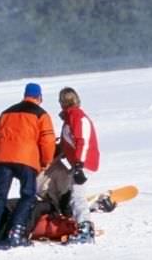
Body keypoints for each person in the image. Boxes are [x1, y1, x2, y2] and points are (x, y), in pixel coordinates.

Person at [0, 82, 55, 247]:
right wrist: (46, 161)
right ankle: (16, 232)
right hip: (27, 160)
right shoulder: (41, 115)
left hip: (2, 160)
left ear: (25, 95)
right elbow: (47, 141)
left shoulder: (6, 113)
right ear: (39, 97)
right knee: (27, 196)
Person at [36, 86, 100, 243]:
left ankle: (86, 230)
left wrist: (79, 166)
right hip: (78, 164)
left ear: (64, 101)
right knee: (73, 196)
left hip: (84, 163)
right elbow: (68, 144)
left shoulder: (78, 117)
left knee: (77, 196)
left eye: (61, 100)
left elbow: (82, 142)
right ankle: (78, 222)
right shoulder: (69, 118)